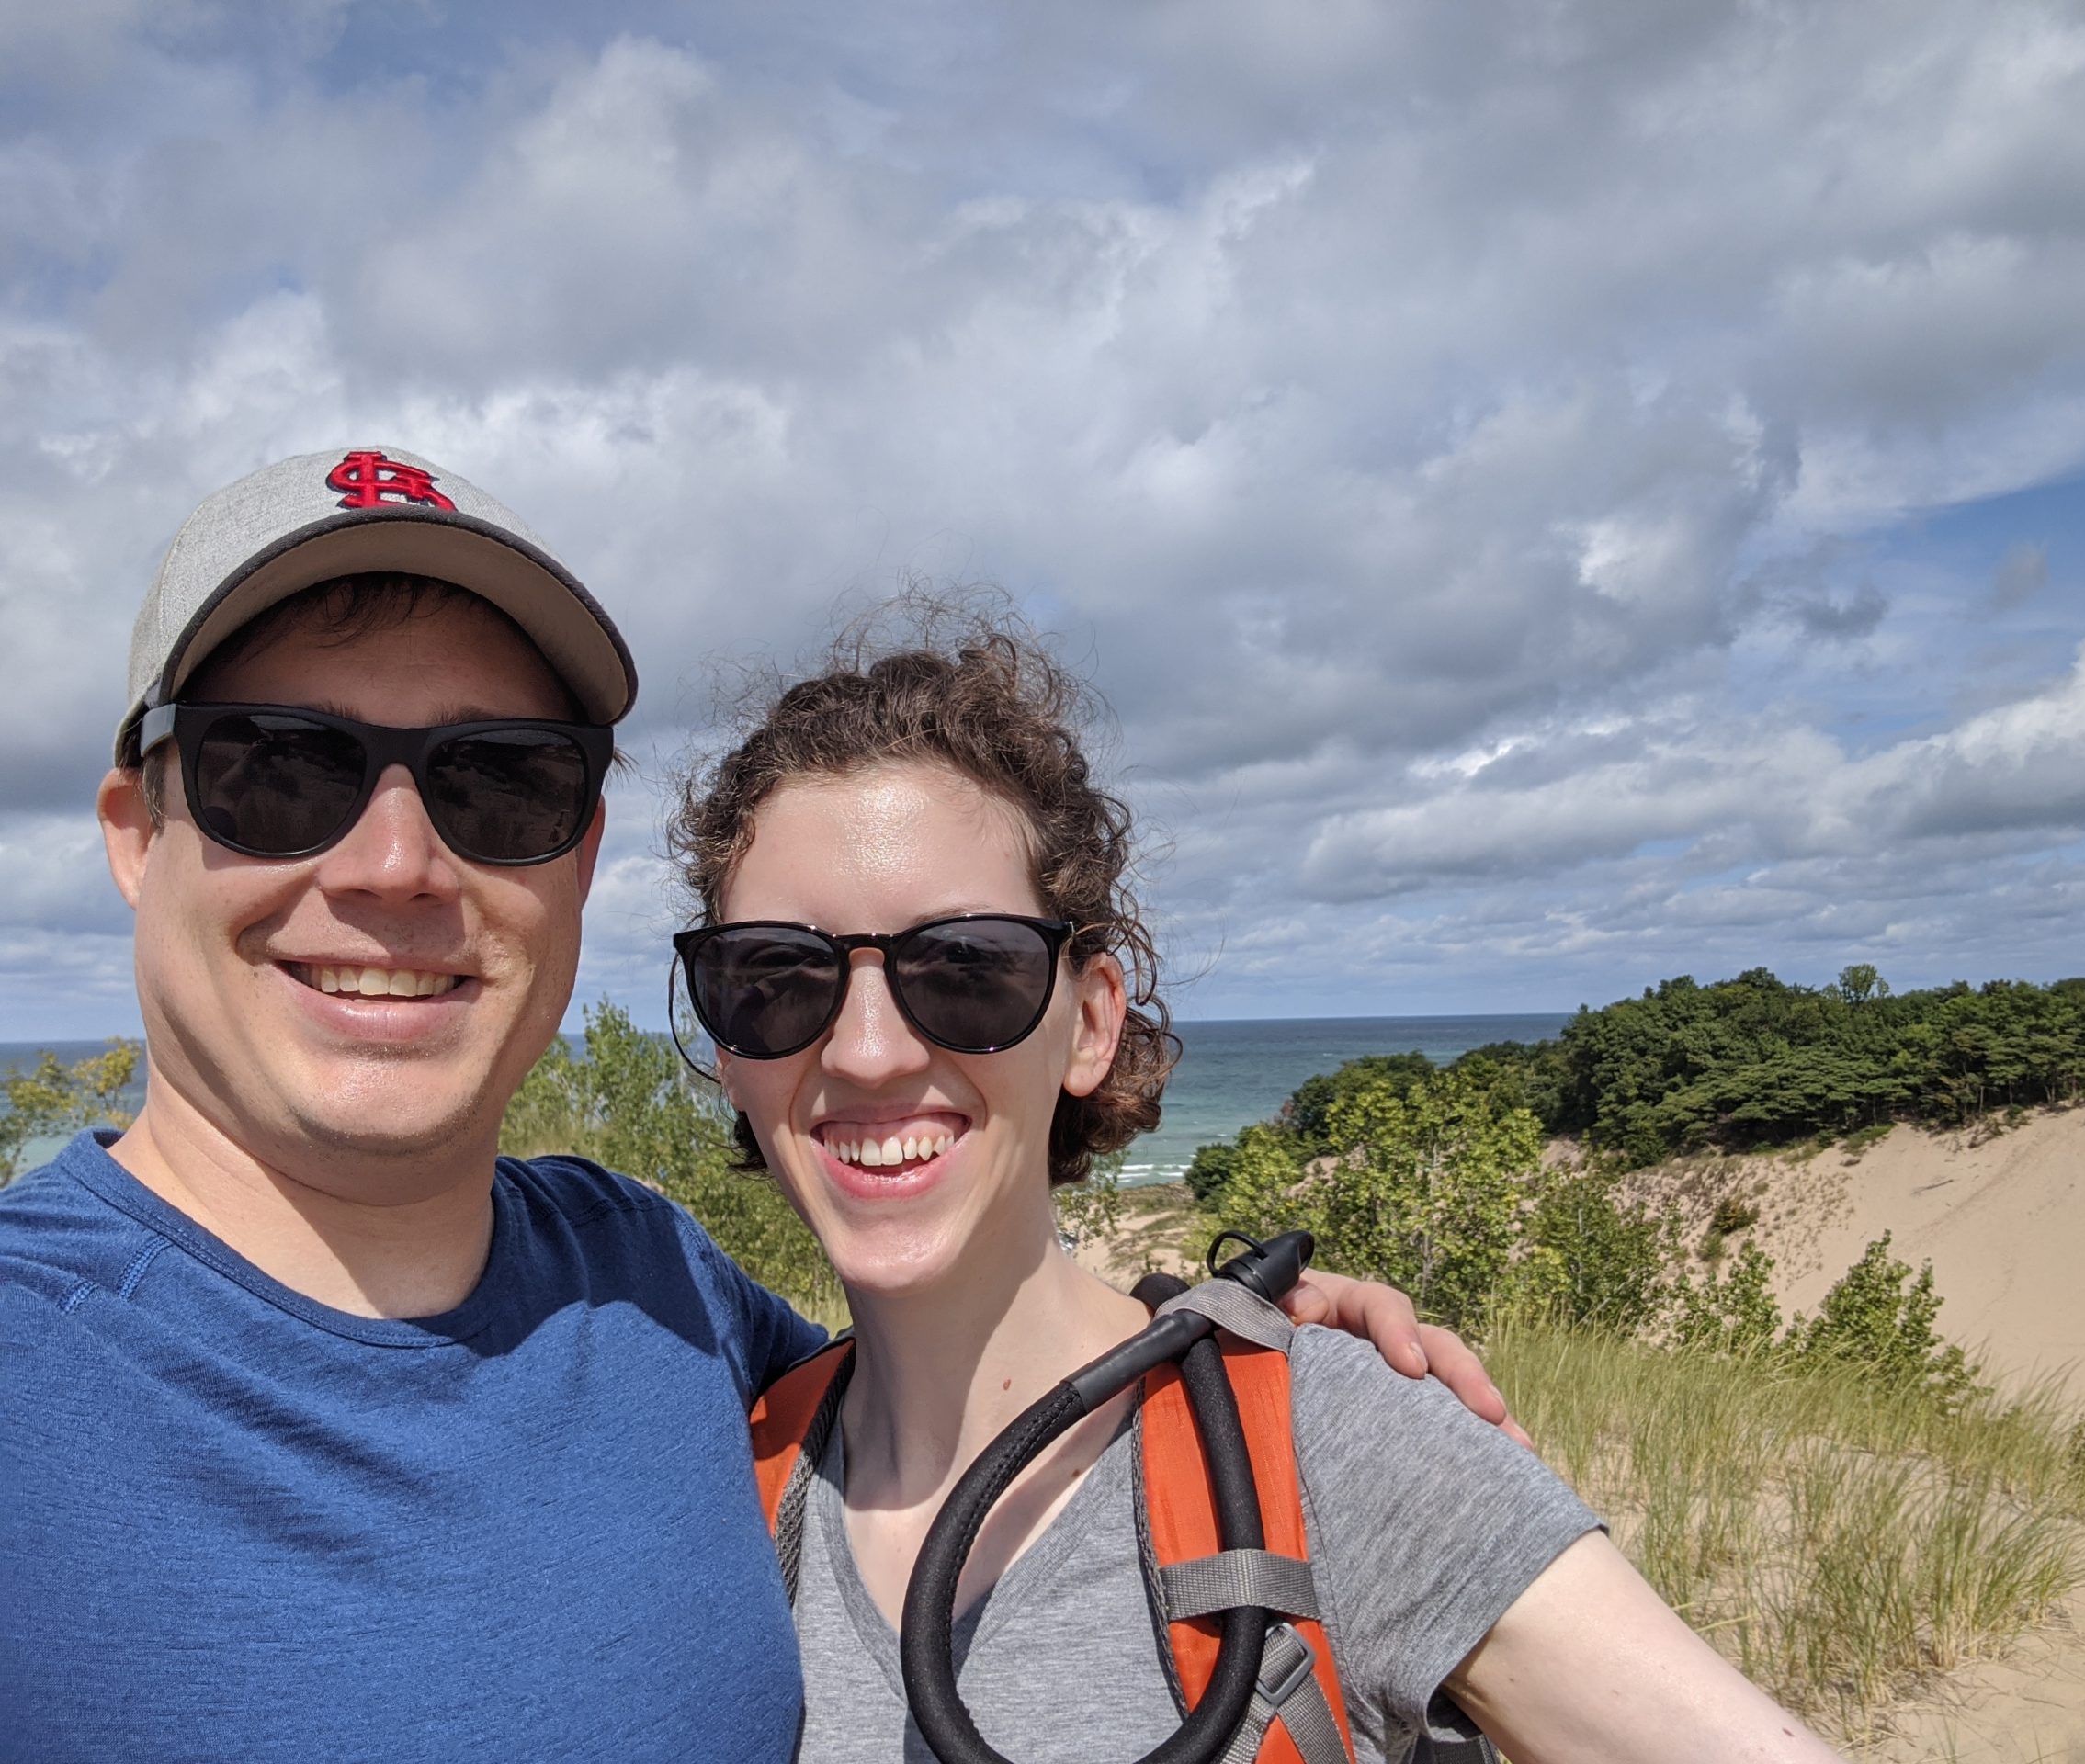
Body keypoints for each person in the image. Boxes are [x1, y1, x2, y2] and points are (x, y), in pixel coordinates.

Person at [0, 447, 1508, 1763]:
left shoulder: (654, 1289)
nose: (397, 864)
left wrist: (1228, 1352)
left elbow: (960, 1384)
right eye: (280, 769)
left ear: (575, 859)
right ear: (139, 833)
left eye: (497, 785)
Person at [670, 616, 1849, 1763]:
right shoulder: (718, 1474)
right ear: (727, 1046)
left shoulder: (1331, 1443)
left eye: (965, 967)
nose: (867, 1049)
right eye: (773, 975)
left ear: (1087, 1022)